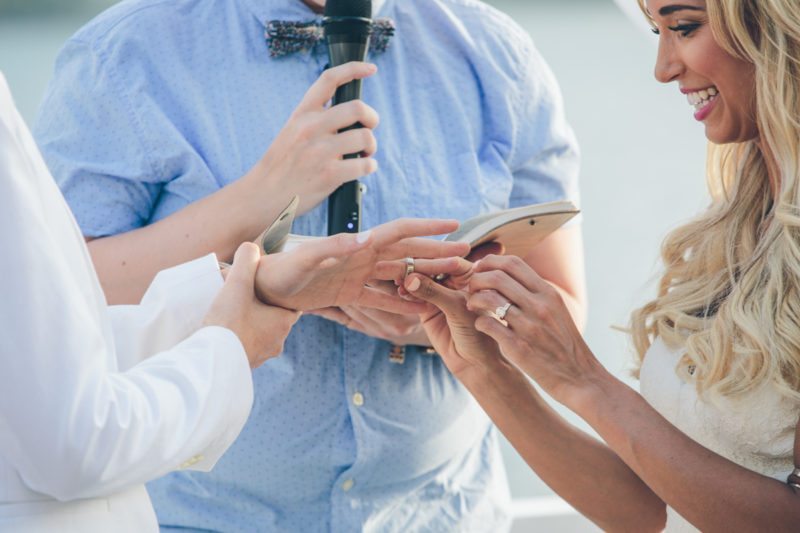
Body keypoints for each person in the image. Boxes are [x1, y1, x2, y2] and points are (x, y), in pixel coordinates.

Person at [33, 0, 586, 529]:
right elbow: (55, 306)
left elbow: (562, 306)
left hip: (442, 513)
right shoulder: (120, 53)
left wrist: (441, 323)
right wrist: (255, 199)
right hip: (192, 519)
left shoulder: (498, 54)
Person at [0, 68, 469, 531]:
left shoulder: (491, 52)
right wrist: (228, 346)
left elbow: (42, 349)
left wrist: (254, 288)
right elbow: (72, 442)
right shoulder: (114, 57)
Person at [401, 0, 800, 531]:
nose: (662, 68)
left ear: (777, 24)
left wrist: (584, 378)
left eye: (683, 27)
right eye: (657, 31)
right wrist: (484, 371)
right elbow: (641, 510)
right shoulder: (736, 227)